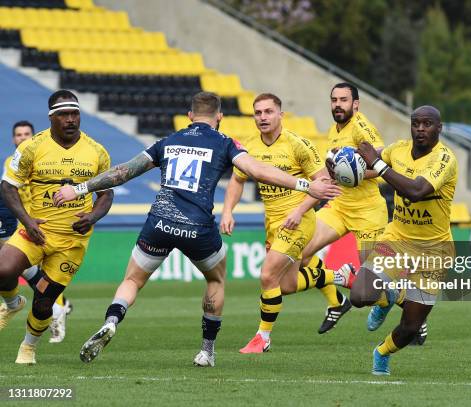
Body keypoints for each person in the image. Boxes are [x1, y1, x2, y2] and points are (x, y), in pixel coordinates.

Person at [53, 92, 340, 366]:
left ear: (189, 116)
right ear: (219, 117)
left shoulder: (168, 140)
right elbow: (258, 171)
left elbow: (124, 171)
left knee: (133, 280)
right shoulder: (225, 142)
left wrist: (79, 189)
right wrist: (306, 184)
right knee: (215, 281)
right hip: (198, 228)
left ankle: (111, 321)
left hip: (160, 223)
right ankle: (207, 351)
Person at [221, 93, 343, 353]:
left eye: (268, 112)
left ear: (280, 115)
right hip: (273, 224)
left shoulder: (298, 145)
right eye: (258, 113)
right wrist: (227, 211)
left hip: (299, 220)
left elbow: (323, 184)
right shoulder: (249, 148)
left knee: (267, 275)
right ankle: (341, 275)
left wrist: (299, 211)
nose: (263, 117)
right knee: (285, 285)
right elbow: (237, 180)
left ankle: (262, 338)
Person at [0, 90, 114, 364]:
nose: (71, 119)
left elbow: (106, 194)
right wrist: (27, 221)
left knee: (44, 301)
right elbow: (7, 187)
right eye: (64, 114)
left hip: (72, 242)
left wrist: (93, 217)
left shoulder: (96, 151)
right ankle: (14, 302)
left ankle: (28, 347)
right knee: (2, 269)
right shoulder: (31, 148)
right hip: (34, 231)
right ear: (51, 117)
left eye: (75, 113)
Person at [347, 105, 457, 375]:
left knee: (411, 326)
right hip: (397, 239)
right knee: (360, 295)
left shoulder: (444, 159)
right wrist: (343, 167)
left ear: (439, 128)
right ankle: (389, 297)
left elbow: (417, 190)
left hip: (434, 250)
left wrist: (378, 163)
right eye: (416, 123)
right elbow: (369, 166)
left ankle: (381, 352)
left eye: (427, 124)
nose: (421, 128)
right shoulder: (397, 149)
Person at [298, 82, 390, 334]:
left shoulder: (362, 127)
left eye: (343, 100)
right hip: (339, 205)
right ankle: (336, 301)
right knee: (301, 253)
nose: (338, 104)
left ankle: (410, 311)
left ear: (355, 104)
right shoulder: (334, 130)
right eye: (334, 100)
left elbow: (382, 159)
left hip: (368, 212)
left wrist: (354, 172)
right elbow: (339, 170)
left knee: (371, 287)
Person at [0, 120, 72, 344]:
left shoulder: (46, 159)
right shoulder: (11, 162)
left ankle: (54, 311)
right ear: (14, 139)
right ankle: (57, 308)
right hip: (22, 223)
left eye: (26, 134)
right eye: (18, 134)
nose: (22, 137)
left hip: (47, 225)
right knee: (24, 271)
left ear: (35, 136)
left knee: (44, 275)